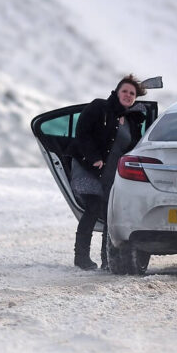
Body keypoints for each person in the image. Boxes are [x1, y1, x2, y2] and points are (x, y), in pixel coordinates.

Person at [68, 74, 147, 270]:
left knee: (109, 215)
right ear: (116, 92)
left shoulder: (132, 122)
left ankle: (107, 259)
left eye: (132, 93)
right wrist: (94, 157)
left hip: (112, 175)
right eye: (125, 91)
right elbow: (82, 133)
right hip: (88, 167)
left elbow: (134, 148)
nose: (128, 95)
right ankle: (81, 258)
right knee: (93, 207)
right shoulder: (99, 107)